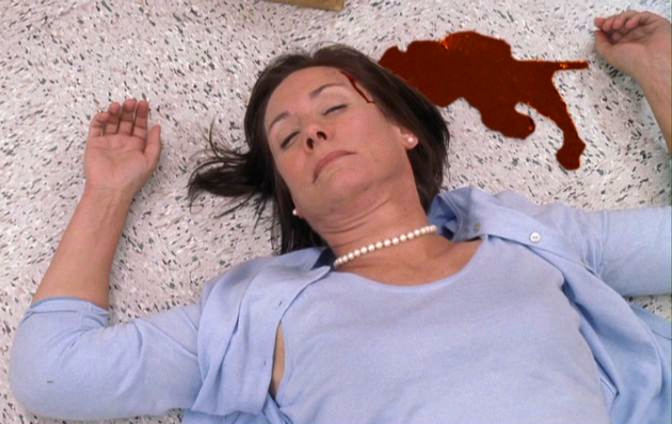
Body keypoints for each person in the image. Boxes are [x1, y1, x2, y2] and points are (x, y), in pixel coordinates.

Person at [8, 9, 672, 424]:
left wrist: (658, 70)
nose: (313, 132)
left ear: (403, 132)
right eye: (288, 137)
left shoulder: (528, 238)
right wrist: (108, 192)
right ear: (292, 197)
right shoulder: (257, 316)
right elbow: (56, 374)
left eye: (334, 108)